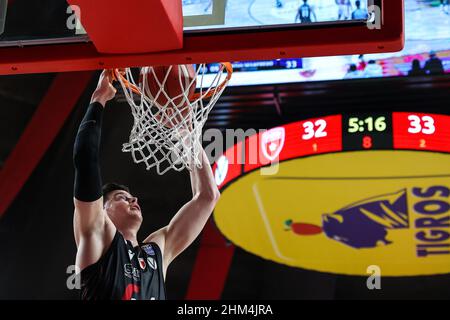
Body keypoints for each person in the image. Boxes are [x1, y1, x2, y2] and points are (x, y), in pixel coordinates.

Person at [73, 70, 220, 300]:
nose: (134, 199)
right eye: (121, 197)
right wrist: (99, 98)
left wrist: (187, 136)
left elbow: (207, 197)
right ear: (102, 210)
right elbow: (85, 156)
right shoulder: (97, 235)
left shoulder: (156, 250)